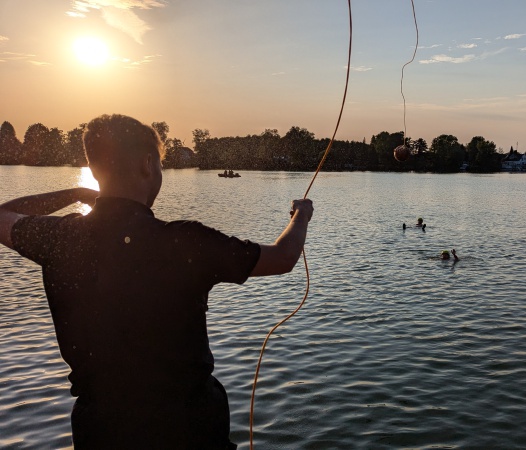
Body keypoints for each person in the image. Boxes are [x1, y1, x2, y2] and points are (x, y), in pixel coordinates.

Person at [0, 114, 313, 449]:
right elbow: (283, 257)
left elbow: (2, 215)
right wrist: (301, 215)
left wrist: (76, 192)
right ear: (148, 164)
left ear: (94, 170)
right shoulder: (185, 242)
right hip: (187, 430)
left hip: (100, 429)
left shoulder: (59, 238)